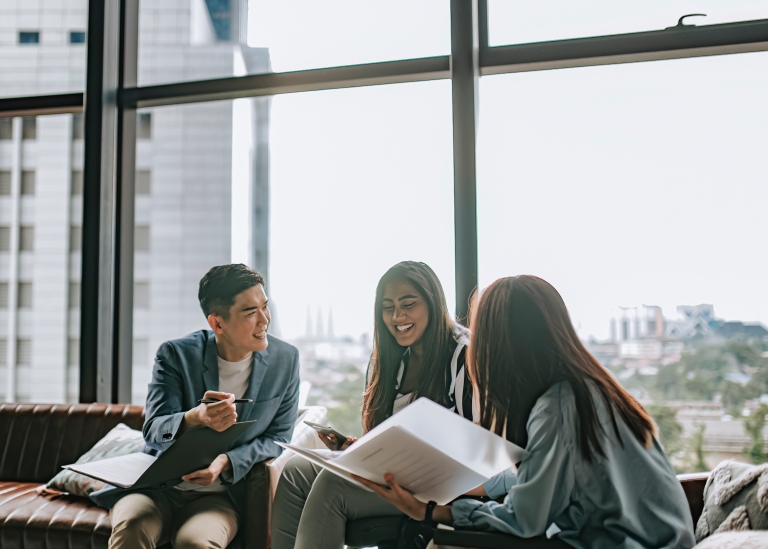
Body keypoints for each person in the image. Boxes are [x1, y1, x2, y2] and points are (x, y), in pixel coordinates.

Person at [356, 275, 696, 549]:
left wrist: (428, 510)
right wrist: (481, 485)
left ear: (499, 344)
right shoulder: (586, 389)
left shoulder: (558, 408)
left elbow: (525, 519)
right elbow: (552, 475)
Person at [272, 261, 485, 549]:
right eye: (388, 307)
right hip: (398, 472)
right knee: (297, 470)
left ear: (433, 303)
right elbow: (387, 437)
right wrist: (356, 447)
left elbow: (475, 450)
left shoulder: (463, 355)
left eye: (408, 304)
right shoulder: (389, 359)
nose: (398, 316)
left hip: (440, 485)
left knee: (332, 486)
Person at [95, 264, 301, 549]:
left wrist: (225, 463)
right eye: (250, 312)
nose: (264, 320)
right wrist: (195, 417)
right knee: (132, 528)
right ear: (217, 323)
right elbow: (153, 430)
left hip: (218, 497)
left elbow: (278, 438)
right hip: (155, 488)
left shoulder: (285, 360)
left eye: (265, 307)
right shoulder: (176, 355)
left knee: (196, 543)